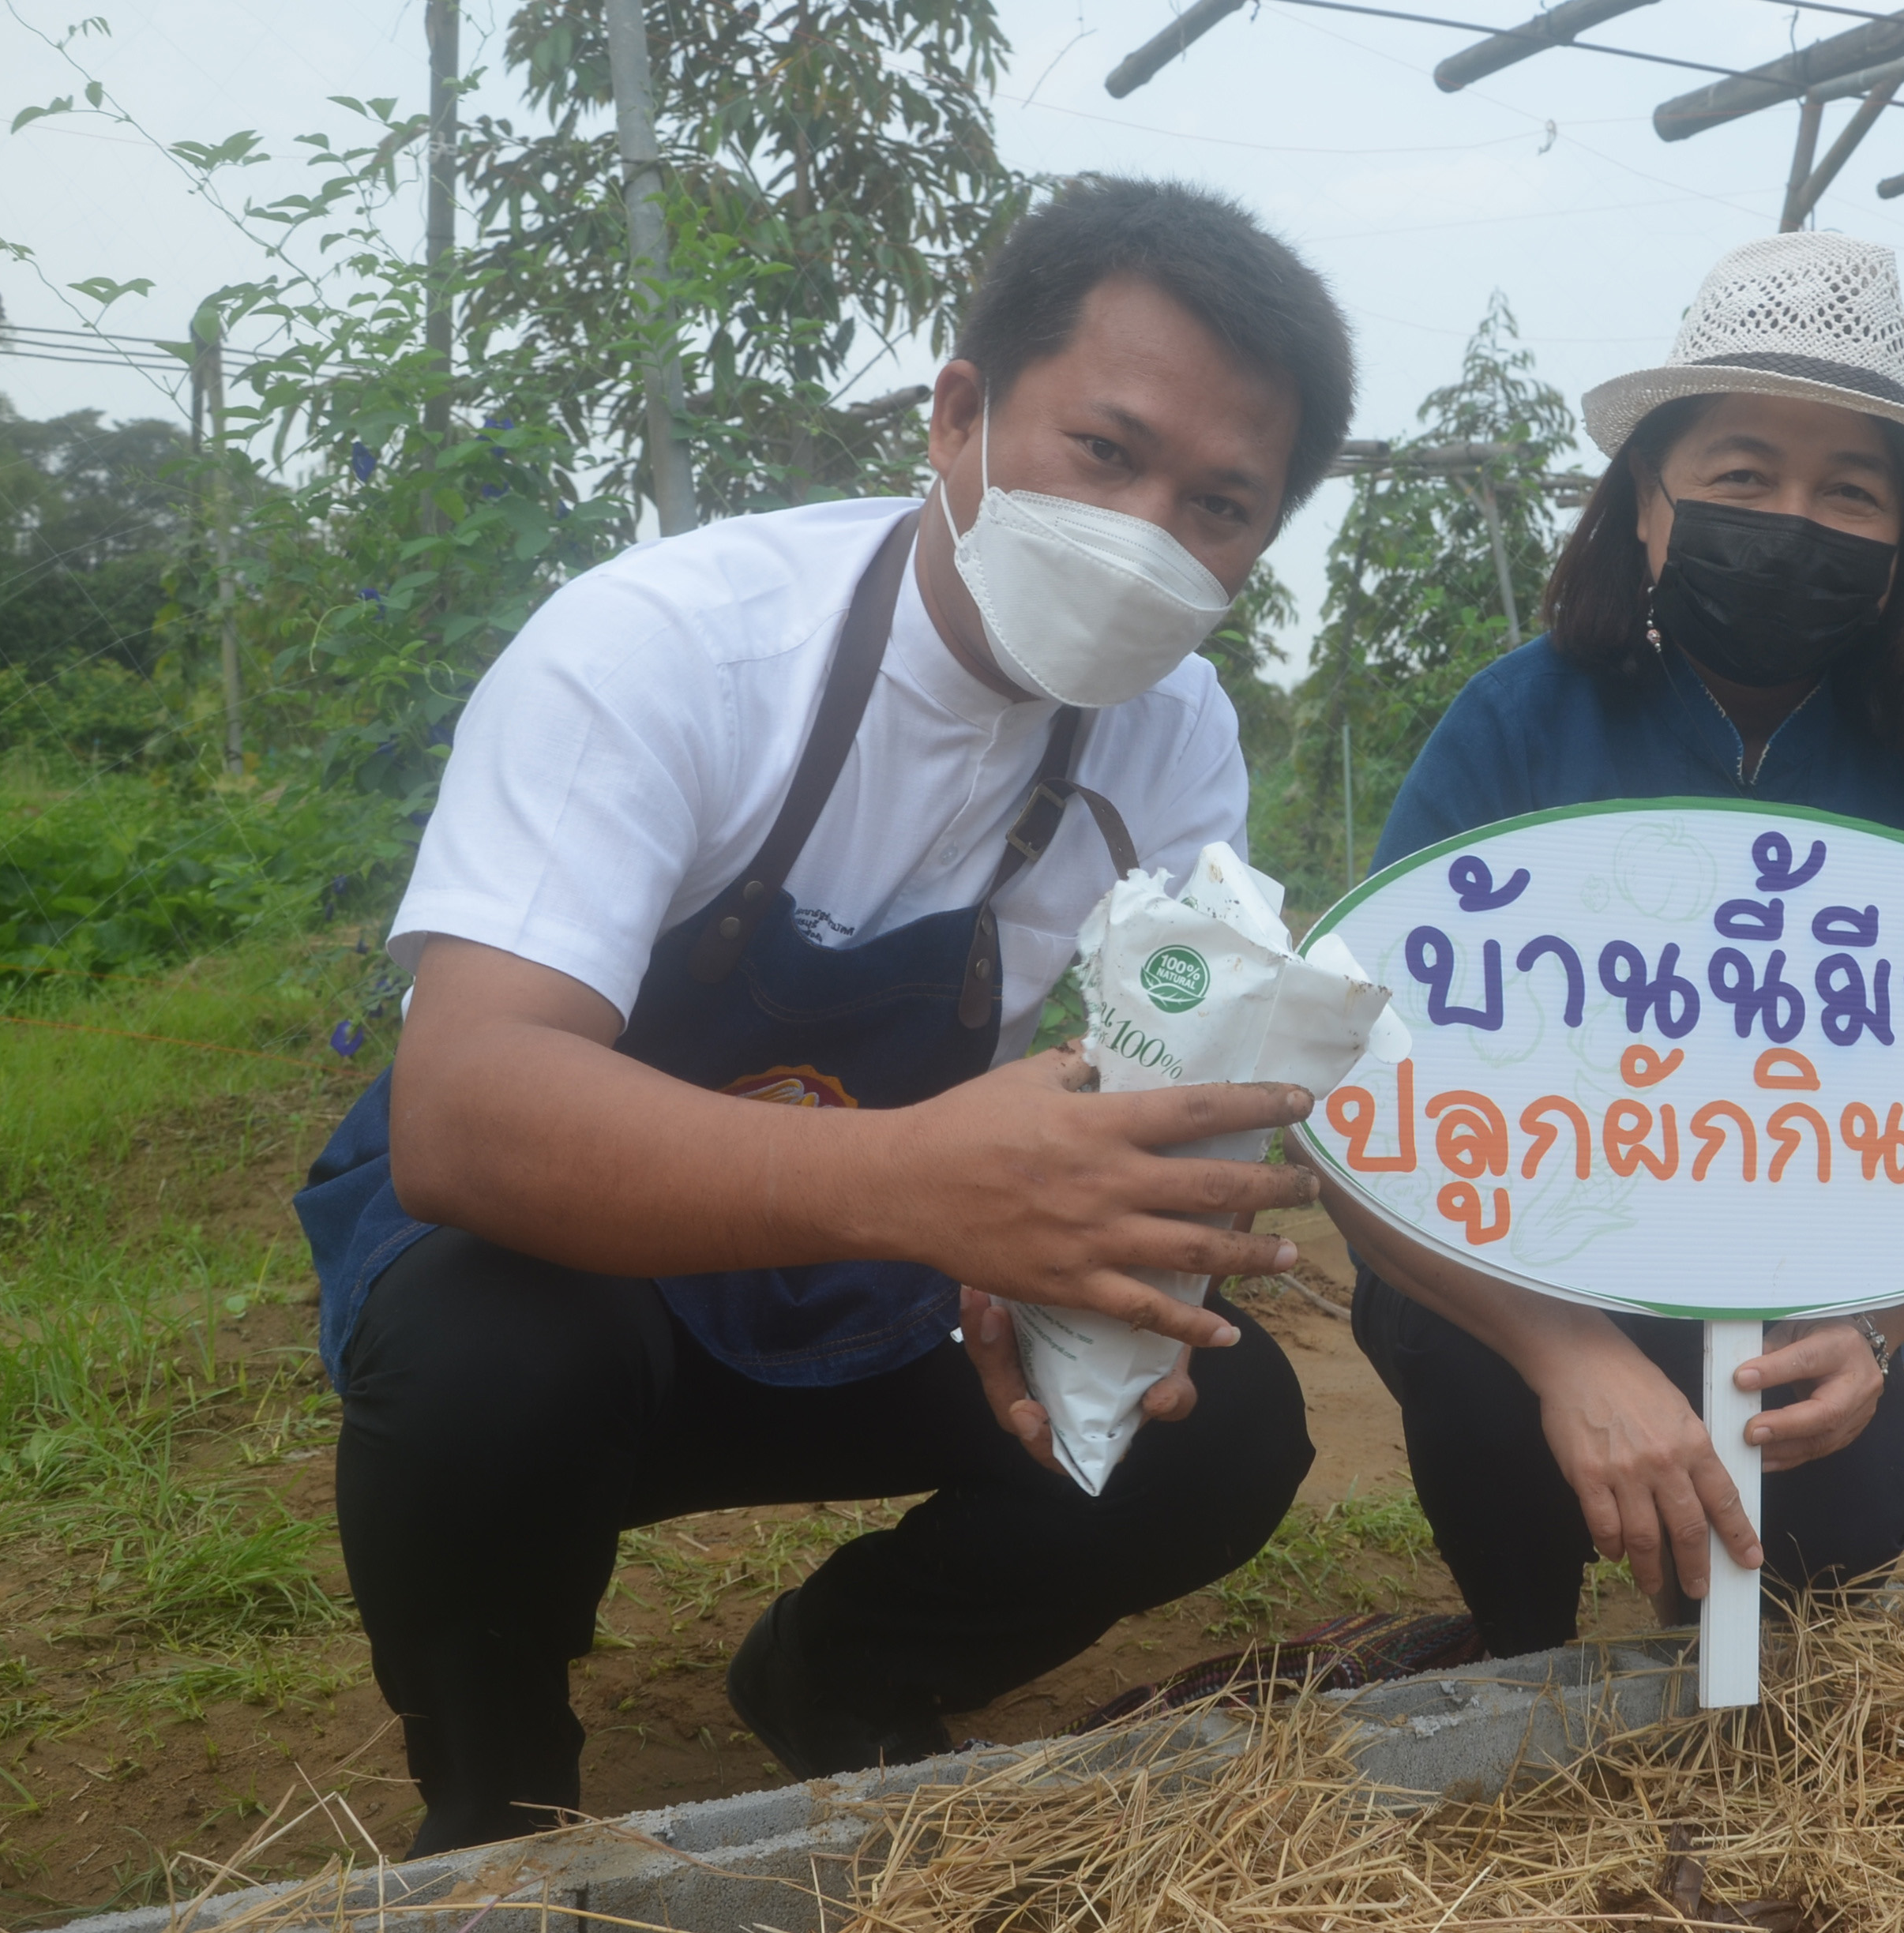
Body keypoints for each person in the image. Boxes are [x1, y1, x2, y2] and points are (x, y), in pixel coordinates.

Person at [293, 178, 1357, 1853]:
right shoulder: (668, 654)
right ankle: (495, 1796)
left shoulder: (1172, 739)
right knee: (482, 1358)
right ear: (957, 417)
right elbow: (470, 1110)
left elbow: (1131, 1067)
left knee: (1215, 1423)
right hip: (594, 1271)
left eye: (1220, 505)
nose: (1152, 535)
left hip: (887, 1271)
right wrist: (931, 1192)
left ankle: (841, 1666)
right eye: (1107, 453)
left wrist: (1066, 1255)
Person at [1302, 234, 1904, 1660]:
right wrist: (1567, 1345)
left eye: (1851, 490)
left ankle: (1719, 1607)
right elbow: (1366, 1076)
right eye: (1740, 474)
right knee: (1477, 1382)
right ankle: (1513, 1629)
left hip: (1802, 1266)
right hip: (1525, 1243)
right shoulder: (1519, 720)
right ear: (1643, 501)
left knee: (1832, 1535)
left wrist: (1880, 1326)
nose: (1795, 518)